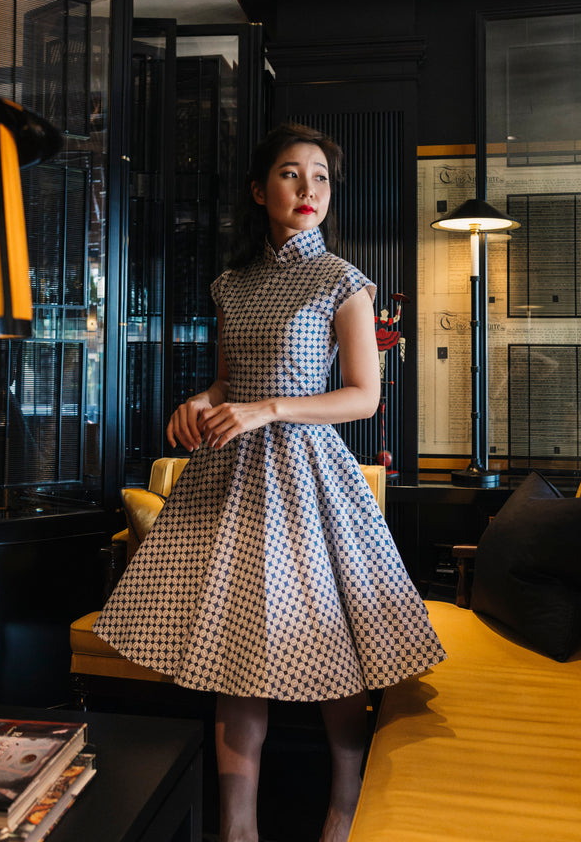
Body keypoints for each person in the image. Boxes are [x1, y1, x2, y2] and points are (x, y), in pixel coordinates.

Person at [94, 123, 446, 842]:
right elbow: (228, 381)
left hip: (309, 480)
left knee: (337, 661)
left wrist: (267, 409)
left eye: (319, 177)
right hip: (233, 478)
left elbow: (362, 397)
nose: (307, 190)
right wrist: (200, 402)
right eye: (291, 174)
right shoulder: (233, 283)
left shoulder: (342, 280)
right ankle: (237, 828)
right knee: (236, 654)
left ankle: (342, 816)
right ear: (260, 191)